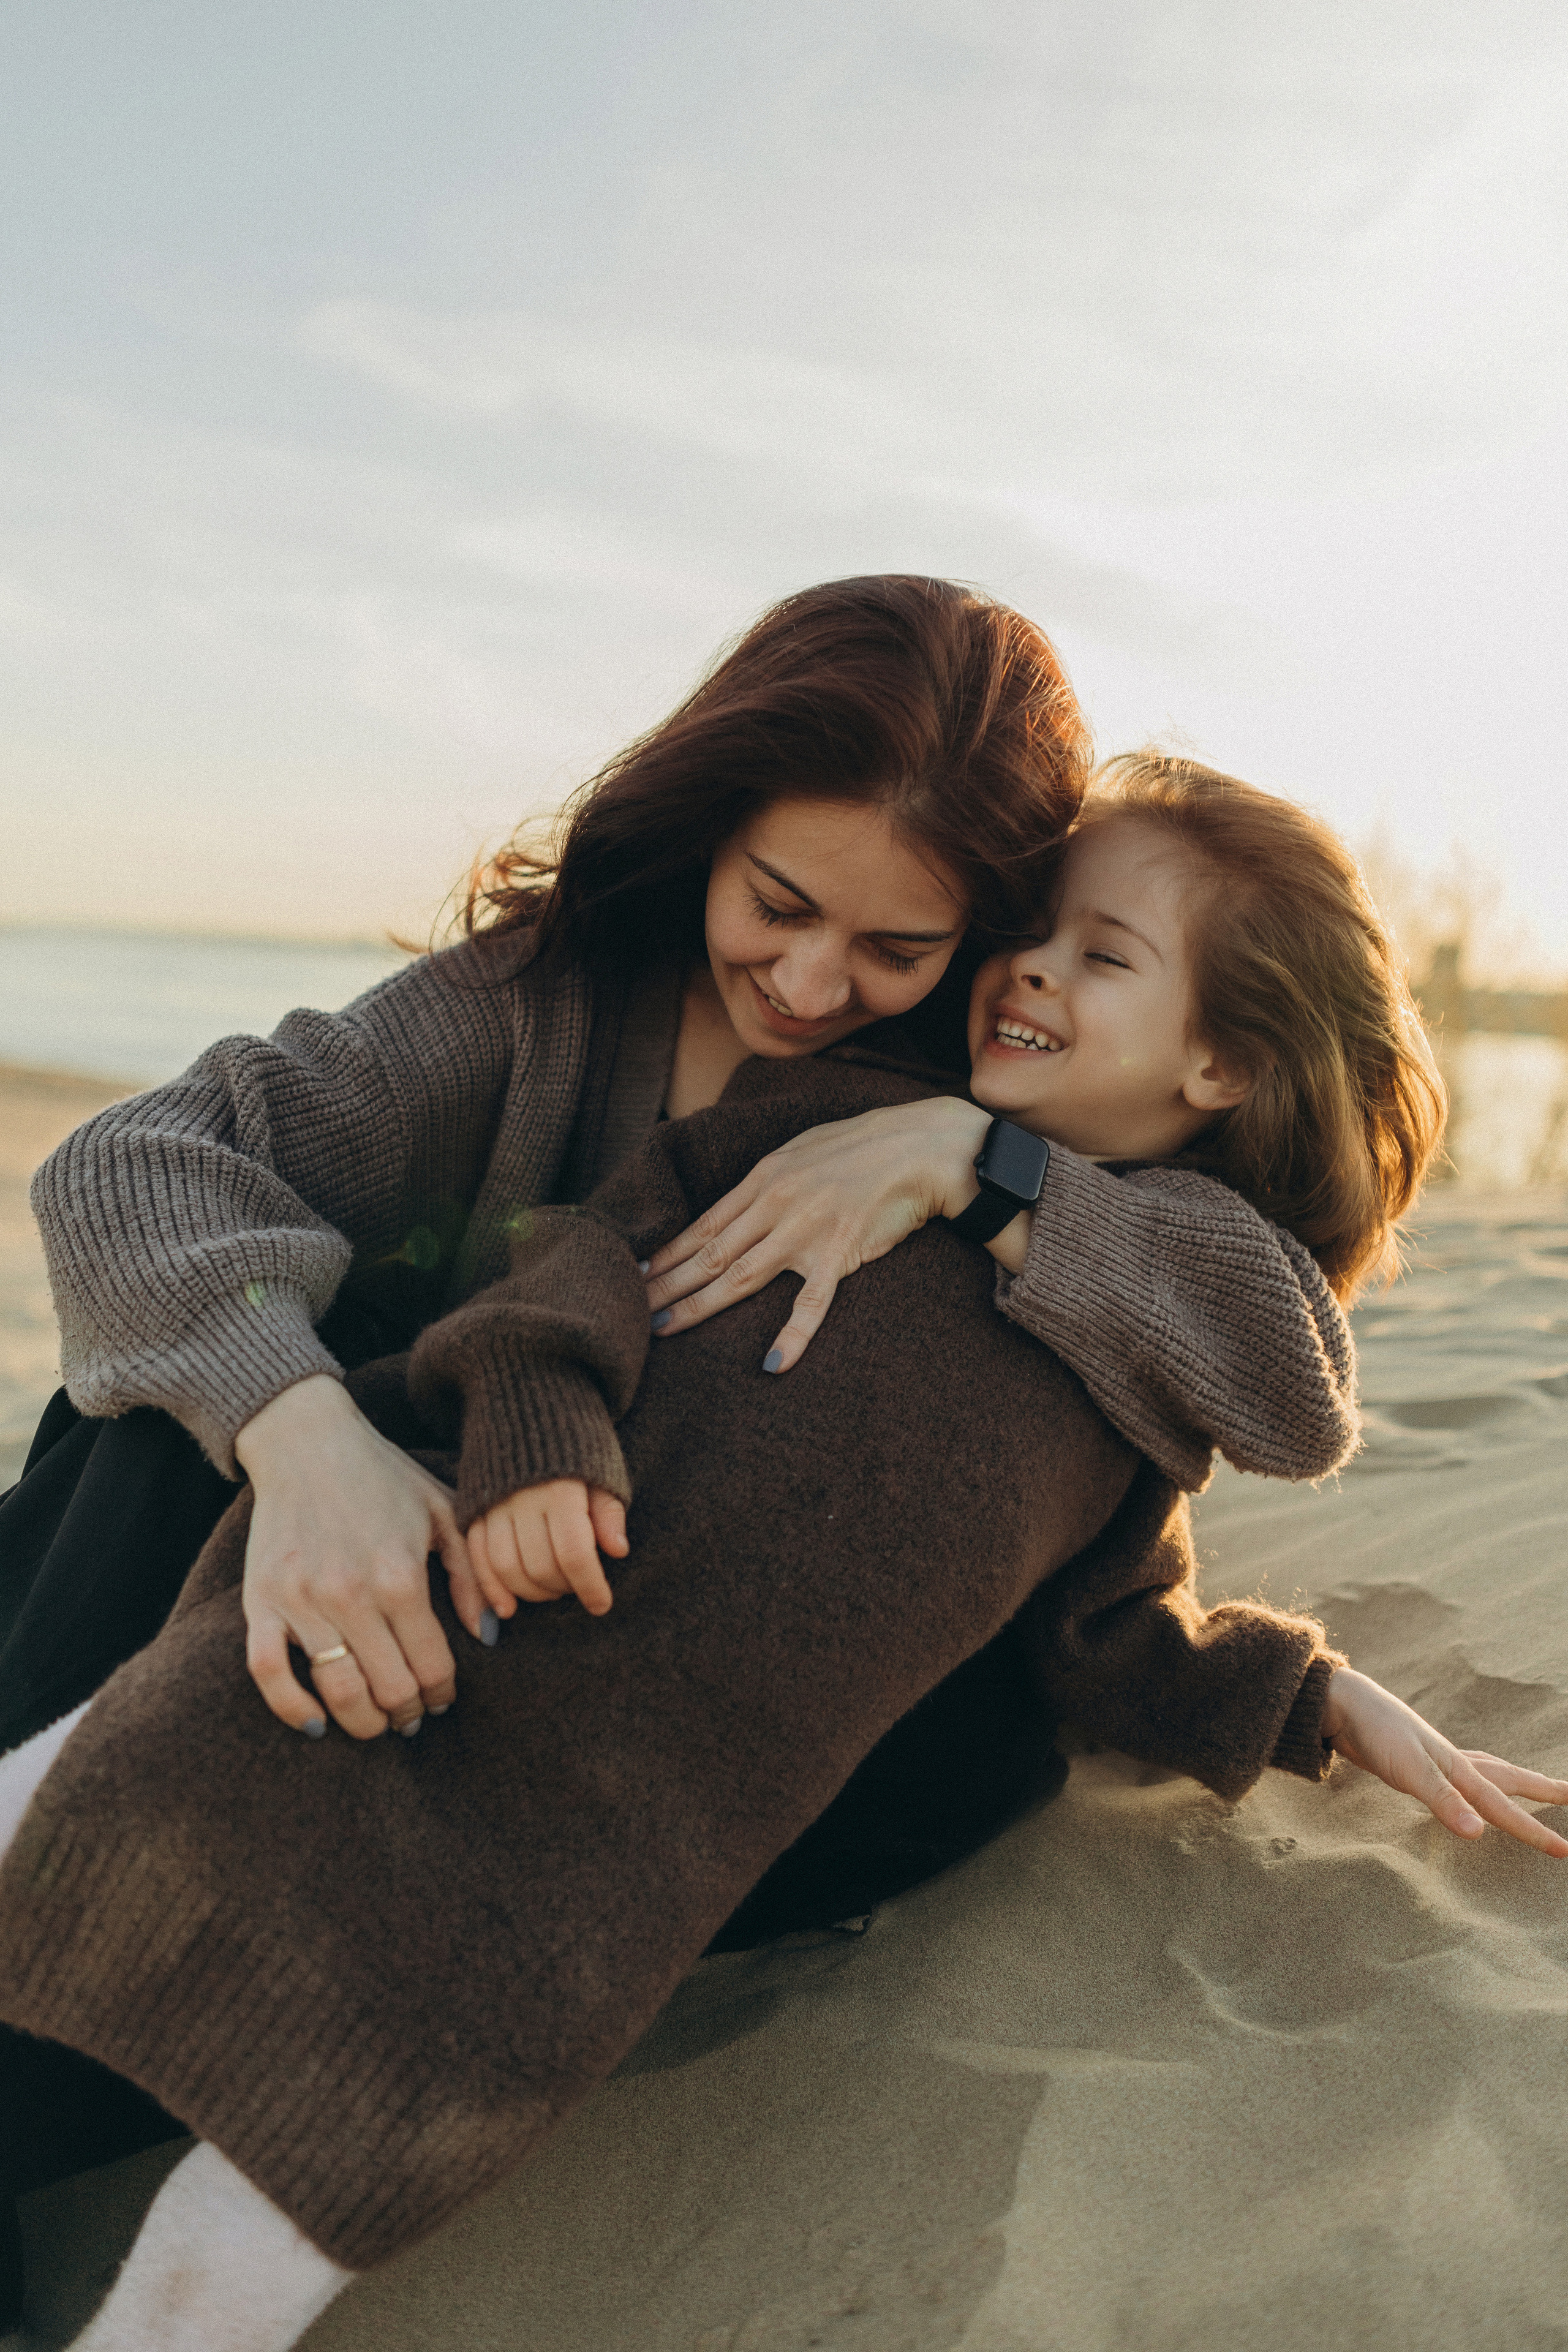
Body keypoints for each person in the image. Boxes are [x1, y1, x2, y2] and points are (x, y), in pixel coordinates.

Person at [4, 757, 1562, 2352]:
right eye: (1028, 933)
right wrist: (534, 1436)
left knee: (340, 2126)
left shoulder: (1146, 1341)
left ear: (1229, 1059)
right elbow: (575, 1267)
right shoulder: (834, 1103)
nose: (1022, 968)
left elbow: (1185, 1533)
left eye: (1101, 956)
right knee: (97, 1805)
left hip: (628, 1821)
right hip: (449, 1568)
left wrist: (1308, 1701)